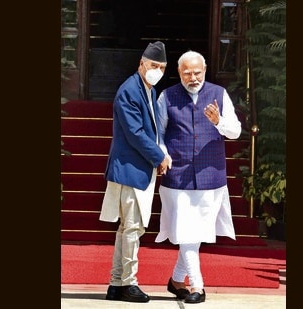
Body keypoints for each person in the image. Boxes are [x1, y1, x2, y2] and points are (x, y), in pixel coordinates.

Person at [155, 50, 242, 304]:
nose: (192, 77)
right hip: (178, 176)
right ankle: (197, 287)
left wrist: (219, 122)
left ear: (204, 70)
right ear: (179, 72)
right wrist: (162, 154)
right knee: (186, 233)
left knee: (195, 233)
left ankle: (175, 281)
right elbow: (158, 133)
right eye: (187, 73)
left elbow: (235, 131)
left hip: (210, 176)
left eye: (197, 72)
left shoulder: (218, 94)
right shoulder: (167, 96)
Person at [99, 41, 172, 303]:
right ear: (141, 63)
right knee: (132, 227)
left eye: (162, 67)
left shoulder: (149, 90)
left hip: (138, 167)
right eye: (154, 65)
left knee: (128, 228)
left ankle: (117, 283)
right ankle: (128, 283)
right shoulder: (130, 90)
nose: (157, 70)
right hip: (129, 167)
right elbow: (135, 134)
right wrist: (159, 156)